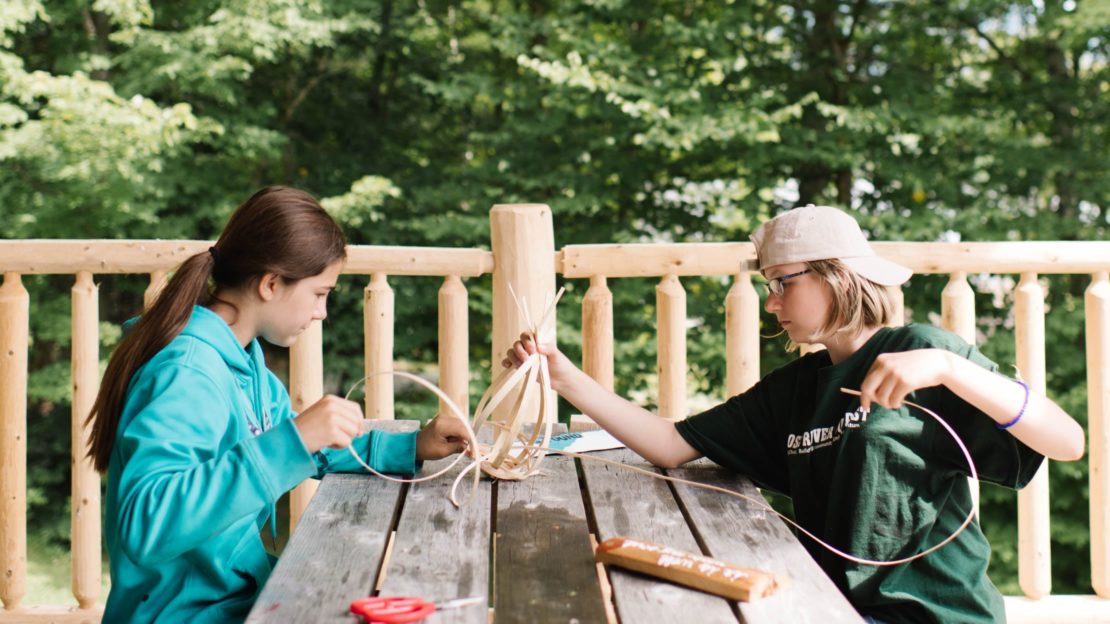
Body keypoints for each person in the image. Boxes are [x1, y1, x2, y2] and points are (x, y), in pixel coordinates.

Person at [504, 204, 1085, 623]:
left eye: (782, 283)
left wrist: (950, 369)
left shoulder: (924, 353)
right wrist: (563, 375)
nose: (772, 302)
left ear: (836, 275)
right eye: (768, 285)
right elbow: (671, 444)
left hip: (935, 613)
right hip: (824, 605)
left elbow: (1067, 441)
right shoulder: (795, 389)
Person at [86, 186, 470, 622]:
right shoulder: (187, 372)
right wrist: (293, 439)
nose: (322, 312)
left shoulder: (246, 366)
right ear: (270, 284)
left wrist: (412, 446)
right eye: (319, 294)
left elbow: (302, 447)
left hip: (239, 598)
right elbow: (145, 525)